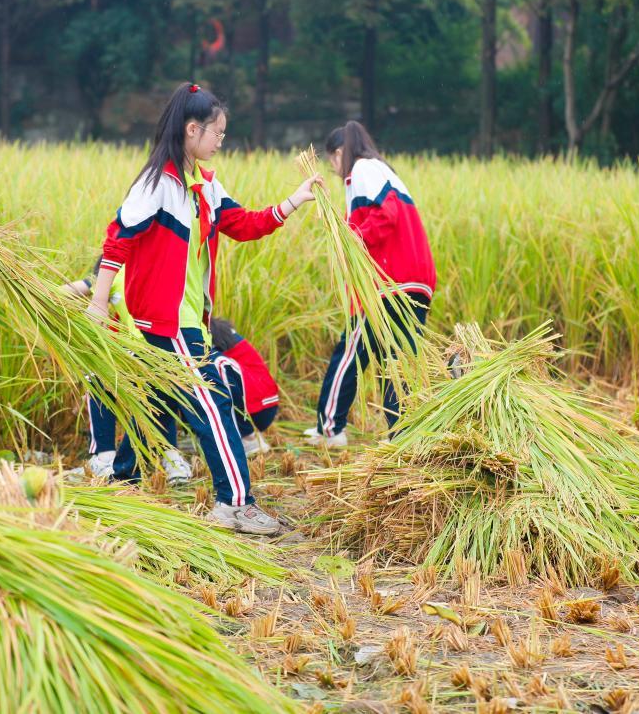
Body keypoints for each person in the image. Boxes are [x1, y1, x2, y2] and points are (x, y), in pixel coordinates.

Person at [88, 81, 321, 535]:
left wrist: (293, 202)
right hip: (168, 323)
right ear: (192, 130)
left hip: (186, 320)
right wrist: (98, 300)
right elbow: (118, 237)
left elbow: (244, 224)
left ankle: (121, 483)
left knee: (152, 404)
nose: (221, 140)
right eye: (217, 132)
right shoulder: (158, 185)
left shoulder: (205, 187)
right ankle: (235, 504)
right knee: (213, 405)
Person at [305, 121, 436, 447]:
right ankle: (402, 437)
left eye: (332, 161)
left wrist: (351, 236)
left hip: (389, 282)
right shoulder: (384, 170)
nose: (335, 170)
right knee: (398, 360)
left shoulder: (362, 170)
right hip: (415, 280)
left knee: (351, 349)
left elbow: (385, 214)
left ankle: (329, 428)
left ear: (339, 153)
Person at [63, 259, 192, 482]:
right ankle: (166, 459)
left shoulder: (133, 267)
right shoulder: (130, 269)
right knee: (150, 389)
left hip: (160, 348)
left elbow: (64, 292)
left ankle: (111, 457)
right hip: (157, 349)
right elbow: (63, 293)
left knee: (105, 374)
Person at [209, 317, 280, 456]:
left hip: (259, 407)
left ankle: (247, 436)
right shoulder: (214, 327)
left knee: (214, 364)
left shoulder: (206, 330)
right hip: (262, 403)